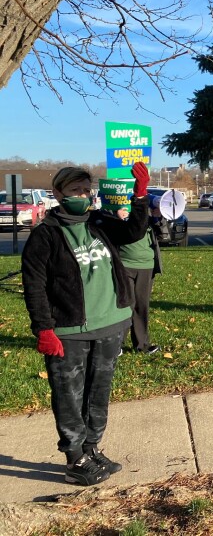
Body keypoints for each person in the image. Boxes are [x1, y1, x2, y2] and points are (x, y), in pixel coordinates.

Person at [21, 162, 150, 486]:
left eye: (85, 189)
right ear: (58, 193)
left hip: (111, 323)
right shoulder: (45, 235)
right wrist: (44, 329)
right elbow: (34, 285)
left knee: (98, 393)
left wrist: (140, 195)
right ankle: (74, 458)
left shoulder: (98, 223)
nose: (82, 195)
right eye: (75, 190)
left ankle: (92, 449)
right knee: (69, 395)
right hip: (69, 331)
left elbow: (133, 232)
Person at [115, 196, 163, 354]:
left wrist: (159, 217)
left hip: (146, 267)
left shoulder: (149, 220)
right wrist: (116, 218)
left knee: (141, 305)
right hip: (124, 265)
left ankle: (142, 345)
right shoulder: (117, 214)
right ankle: (117, 344)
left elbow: (163, 234)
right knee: (124, 305)